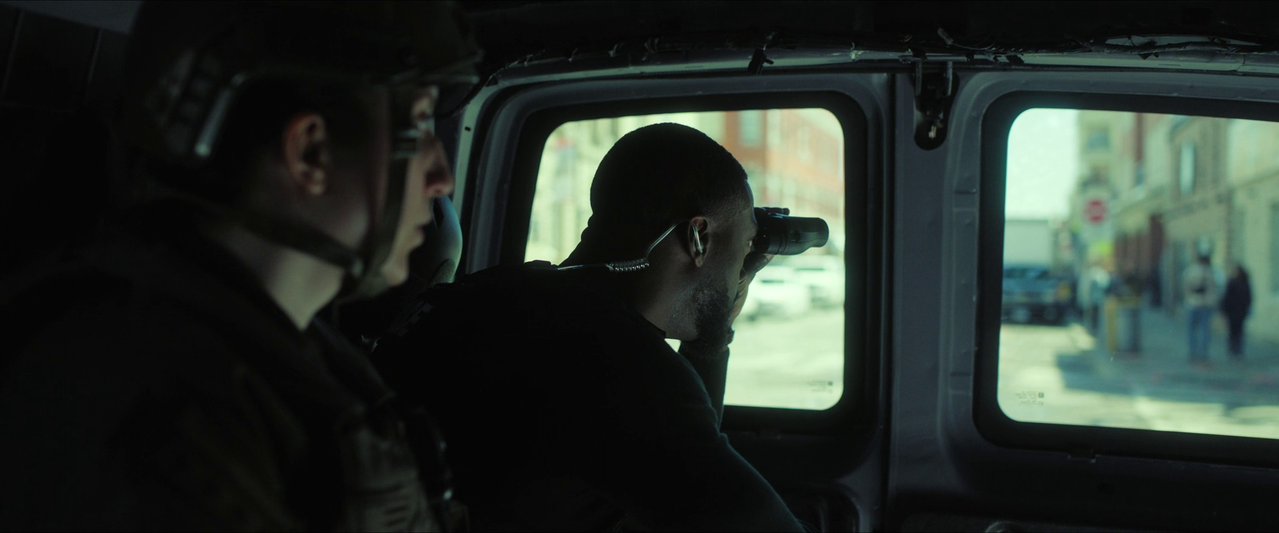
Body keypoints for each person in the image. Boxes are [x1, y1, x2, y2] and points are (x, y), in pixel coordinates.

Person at [0, 1, 480, 530]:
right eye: (420, 124)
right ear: (311, 152)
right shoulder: (165, 419)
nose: (442, 179)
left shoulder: (288, 355)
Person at [372, 123, 806, 531]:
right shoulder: (620, 366)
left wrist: (713, 334)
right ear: (699, 238)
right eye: (744, 244)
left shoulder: (496, 290)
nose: (740, 268)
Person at [1183, 253, 1220, 365]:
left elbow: (1185, 287)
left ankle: (1193, 352)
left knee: (1192, 330)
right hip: (1206, 305)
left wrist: (1188, 298)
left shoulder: (1190, 271)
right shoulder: (1211, 272)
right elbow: (1216, 288)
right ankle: (1203, 353)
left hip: (1193, 304)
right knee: (1204, 330)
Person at [1220, 264, 1253, 359]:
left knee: (1236, 331)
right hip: (1235, 311)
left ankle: (1236, 349)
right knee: (1235, 331)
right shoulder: (1236, 282)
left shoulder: (1241, 282)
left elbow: (1248, 297)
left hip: (1237, 311)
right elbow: (1227, 297)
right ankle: (1234, 349)